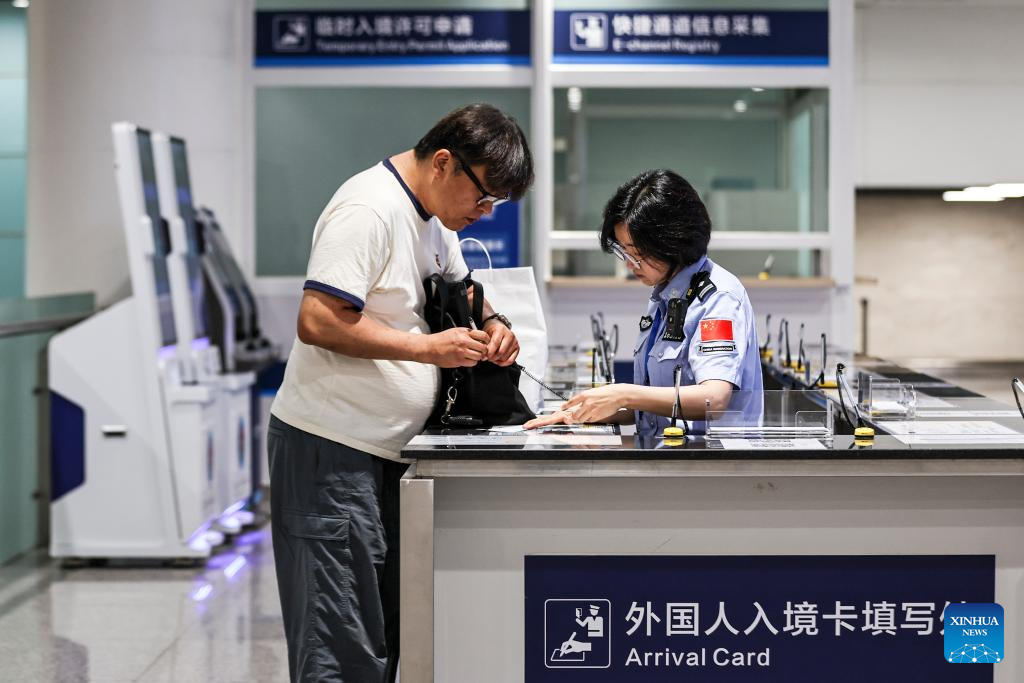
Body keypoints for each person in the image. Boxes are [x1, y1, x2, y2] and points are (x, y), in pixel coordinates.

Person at [268, 103, 533, 682]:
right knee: (339, 642)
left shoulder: (434, 220)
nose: (485, 213)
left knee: (382, 636)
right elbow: (318, 320)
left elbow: (463, 289)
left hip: (387, 452)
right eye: (484, 197)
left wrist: (494, 323)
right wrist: (427, 349)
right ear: (444, 163)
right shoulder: (368, 210)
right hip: (332, 451)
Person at [525, 169, 762, 437]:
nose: (630, 265)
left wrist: (624, 394)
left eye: (637, 254)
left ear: (673, 243)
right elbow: (655, 406)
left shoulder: (717, 298)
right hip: (665, 453)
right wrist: (583, 413)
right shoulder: (666, 295)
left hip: (708, 459)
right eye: (624, 252)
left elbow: (714, 399)